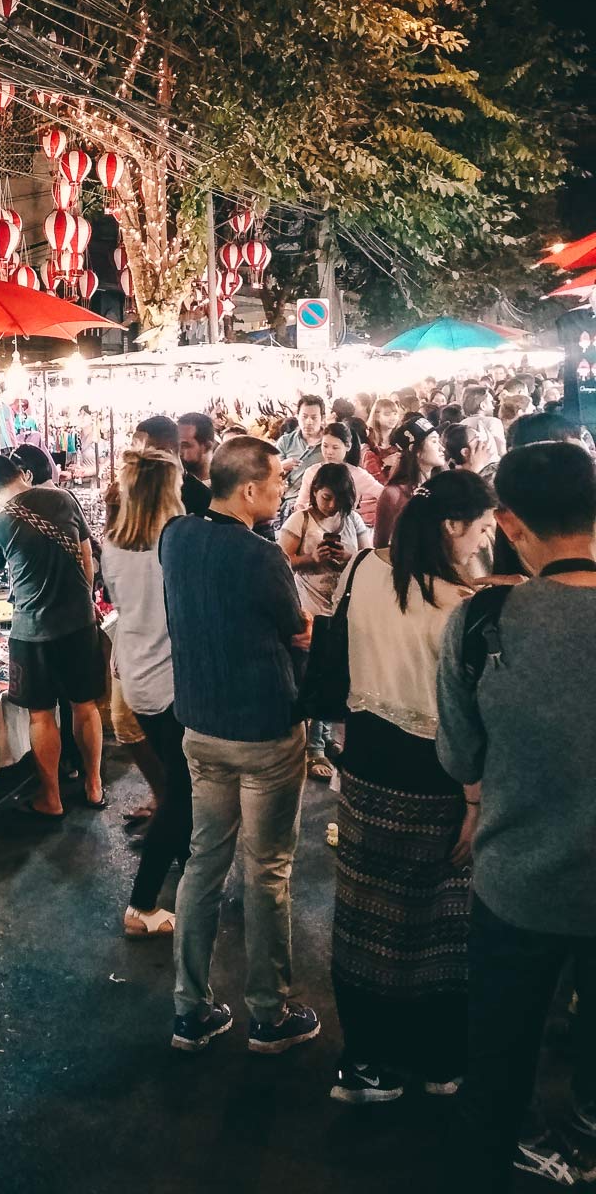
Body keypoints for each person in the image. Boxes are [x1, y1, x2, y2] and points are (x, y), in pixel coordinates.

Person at [437, 444, 596, 1188]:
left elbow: (459, 757)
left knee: (499, 1059)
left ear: (508, 521)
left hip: (515, 886)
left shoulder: (482, 621)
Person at [328, 471, 494, 1106]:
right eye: (481, 530)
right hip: (438, 778)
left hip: (365, 763)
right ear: (452, 526)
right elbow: (466, 720)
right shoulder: (462, 608)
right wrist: (475, 802)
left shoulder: (365, 567)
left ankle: (366, 1062)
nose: (483, 544)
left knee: (367, 915)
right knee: (440, 925)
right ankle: (440, 1060)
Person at [161, 436, 319, 1056]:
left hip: (200, 726)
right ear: (250, 490)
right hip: (264, 732)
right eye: (279, 481)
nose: (283, 490)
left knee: (204, 863)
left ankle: (189, 1009)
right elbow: (293, 628)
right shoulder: (262, 557)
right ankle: (268, 1014)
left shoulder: (176, 537)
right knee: (268, 868)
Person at [0, 454, 104, 816]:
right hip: (80, 623)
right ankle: (94, 786)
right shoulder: (64, 499)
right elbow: (87, 558)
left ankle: (52, 798)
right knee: (85, 705)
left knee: (41, 715)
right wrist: (84, 599)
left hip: (32, 630)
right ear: (23, 474)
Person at [101, 447, 192, 938]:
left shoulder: (113, 544)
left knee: (178, 786)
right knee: (181, 793)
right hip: (170, 680)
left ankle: (185, 854)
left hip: (135, 673)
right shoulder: (172, 544)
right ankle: (140, 906)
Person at [279, 462, 373, 779]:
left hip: (340, 611)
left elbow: (368, 556)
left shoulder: (352, 519)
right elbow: (281, 560)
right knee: (311, 676)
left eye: (337, 499)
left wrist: (347, 558)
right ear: (316, 491)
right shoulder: (300, 520)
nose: (331, 505)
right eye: (325, 497)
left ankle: (324, 738)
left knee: (332, 675)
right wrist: (312, 559)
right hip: (308, 610)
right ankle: (313, 747)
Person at [293, 422, 383, 528]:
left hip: (346, 528)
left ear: (348, 446)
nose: (329, 452)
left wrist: (364, 512)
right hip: (313, 527)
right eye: (325, 446)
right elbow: (301, 503)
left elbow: (384, 494)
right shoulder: (311, 472)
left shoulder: (357, 474)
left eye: (335, 448)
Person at [373, 415, 445, 550]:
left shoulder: (443, 485)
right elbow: (380, 546)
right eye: (434, 441)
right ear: (415, 450)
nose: (442, 448)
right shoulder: (393, 494)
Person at [276, 394, 326, 515]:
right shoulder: (286, 441)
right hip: (292, 502)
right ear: (297, 416)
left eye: (314, 417)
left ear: (322, 418)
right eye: (304, 417)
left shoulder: (330, 442)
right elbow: (270, 473)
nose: (309, 422)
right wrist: (282, 466)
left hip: (322, 502)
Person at [178, 412, 217, 515]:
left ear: (207, 446)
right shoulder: (174, 487)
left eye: (185, 445)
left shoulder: (227, 487)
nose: (178, 452)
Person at [362, 397, 403, 485]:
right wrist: (384, 463)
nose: (393, 418)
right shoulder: (367, 442)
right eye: (387, 414)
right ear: (376, 416)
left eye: (395, 414)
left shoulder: (400, 441)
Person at [462, 384, 508, 459]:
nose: (493, 407)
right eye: (491, 402)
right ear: (483, 406)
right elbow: (501, 451)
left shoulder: (461, 423)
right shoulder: (493, 422)